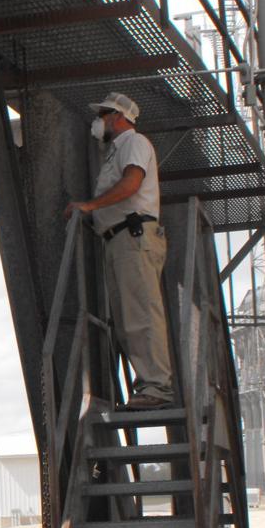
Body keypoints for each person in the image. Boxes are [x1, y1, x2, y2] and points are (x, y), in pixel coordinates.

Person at [64, 92, 174, 410]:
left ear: (116, 116)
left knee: (141, 312)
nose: (98, 122)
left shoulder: (134, 143)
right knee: (130, 316)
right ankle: (150, 384)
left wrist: (89, 205)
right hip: (121, 238)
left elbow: (131, 184)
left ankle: (157, 386)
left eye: (102, 116)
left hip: (133, 235)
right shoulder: (117, 150)